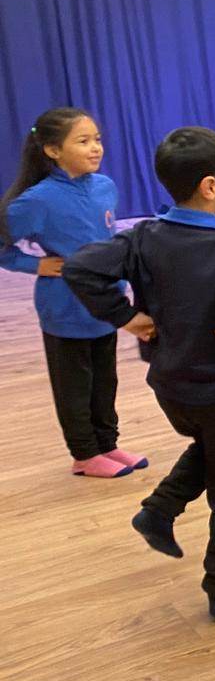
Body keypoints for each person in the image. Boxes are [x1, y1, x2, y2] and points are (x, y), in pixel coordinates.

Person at [63, 127, 215, 619]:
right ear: (210, 186)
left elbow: (79, 269)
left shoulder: (143, 236)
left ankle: (159, 510)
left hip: (172, 388)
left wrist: (125, 317)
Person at [0, 108, 145, 477]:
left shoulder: (105, 186)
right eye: (83, 141)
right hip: (65, 306)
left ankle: (107, 444)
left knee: (105, 380)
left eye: (97, 139)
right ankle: (84, 454)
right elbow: (3, 247)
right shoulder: (36, 201)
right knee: (74, 386)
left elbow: (107, 238)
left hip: (106, 301)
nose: (95, 148)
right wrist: (35, 265)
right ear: (53, 150)